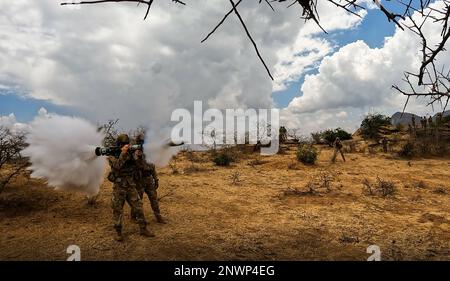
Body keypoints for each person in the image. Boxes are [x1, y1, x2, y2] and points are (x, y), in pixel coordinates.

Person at [108, 134, 154, 242]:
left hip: (130, 186)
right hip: (119, 187)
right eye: (123, 144)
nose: (126, 146)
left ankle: (143, 229)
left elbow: (141, 167)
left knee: (138, 207)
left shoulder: (131, 154)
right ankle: (118, 232)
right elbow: (117, 166)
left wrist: (138, 156)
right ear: (119, 145)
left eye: (127, 144)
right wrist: (123, 154)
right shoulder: (112, 155)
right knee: (117, 210)